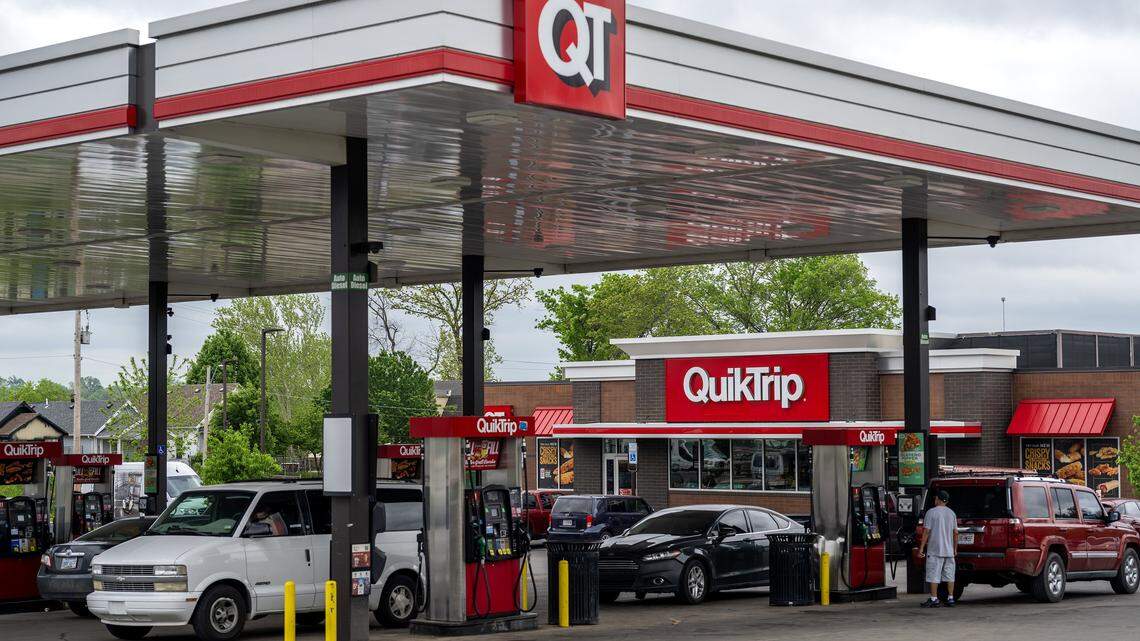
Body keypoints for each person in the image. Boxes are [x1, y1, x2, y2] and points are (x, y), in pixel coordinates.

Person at [918, 489, 958, 608]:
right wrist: (955, 549)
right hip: (949, 551)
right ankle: (950, 598)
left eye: (935, 498)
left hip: (935, 550)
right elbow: (955, 533)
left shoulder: (931, 512)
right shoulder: (952, 513)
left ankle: (934, 599)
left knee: (933, 574)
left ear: (938, 499)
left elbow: (926, 532)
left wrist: (921, 548)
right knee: (950, 575)